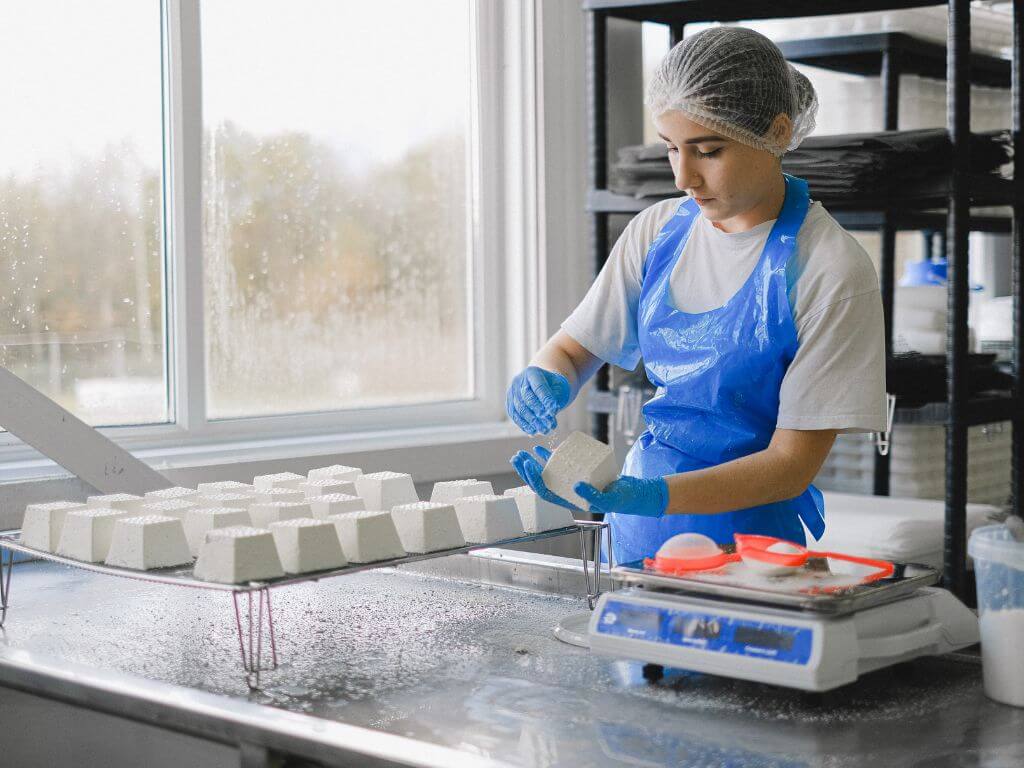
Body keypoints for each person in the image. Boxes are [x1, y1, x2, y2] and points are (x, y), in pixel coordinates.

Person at [507, 27, 886, 565]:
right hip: (636, 536)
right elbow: (573, 350)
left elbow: (790, 465)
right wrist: (545, 376)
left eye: (708, 151)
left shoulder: (831, 270)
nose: (684, 176)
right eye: (671, 150)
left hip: (751, 551)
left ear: (777, 132)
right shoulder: (657, 232)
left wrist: (653, 497)